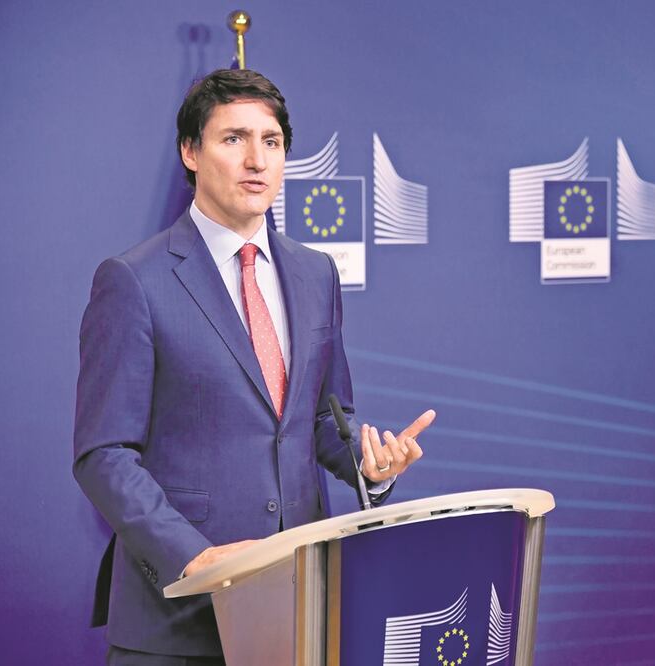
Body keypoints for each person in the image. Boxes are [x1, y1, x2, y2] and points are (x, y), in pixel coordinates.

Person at [73, 68, 435, 665]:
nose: (256, 160)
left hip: (301, 607)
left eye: (271, 142)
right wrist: (194, 557)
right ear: (190, 152)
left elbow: (324, 419)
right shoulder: (134, 280)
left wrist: (372, 468)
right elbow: (103, 455)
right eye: (233, 139)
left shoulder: (315, 273)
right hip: (180, 616)